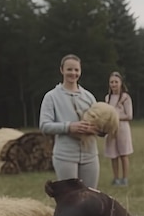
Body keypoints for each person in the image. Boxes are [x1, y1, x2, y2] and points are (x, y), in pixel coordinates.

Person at [39, 54, 100, 189]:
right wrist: (69, 127)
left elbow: (99, 123)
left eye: (76, 70)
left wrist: (95, 129)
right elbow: (44, 126)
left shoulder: (89, 97)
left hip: (90, 155)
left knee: (91, 197)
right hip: (65, 156)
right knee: (71, 198)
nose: (73, 73)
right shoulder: (51, 97)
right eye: (69, 69)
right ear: (62, 70)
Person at [104, 71, 134, 186]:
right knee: (113, 154)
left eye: (116, 82)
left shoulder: (126, 98)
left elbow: (129, 115)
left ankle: (124, 178)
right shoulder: (108, 98)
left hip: (122, 129)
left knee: (123, 154)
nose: (114, 84)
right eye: (111, 82)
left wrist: (115, 117)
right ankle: (116, 178)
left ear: (120, 83)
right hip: (111, 130)